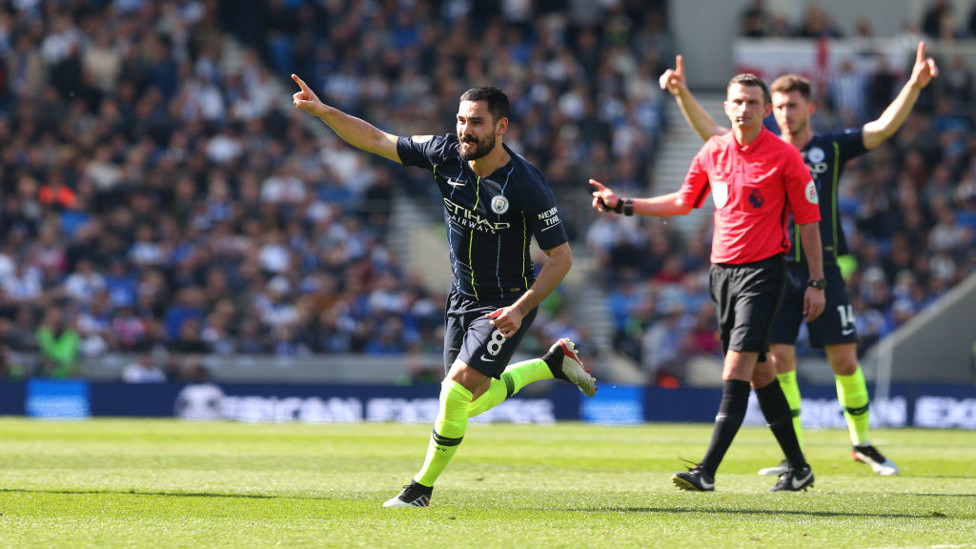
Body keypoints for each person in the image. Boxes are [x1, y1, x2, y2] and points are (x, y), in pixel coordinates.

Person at [291, 76, 597, 507]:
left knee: (454, 393)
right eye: (460, 120)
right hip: (462, 298)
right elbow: (377, 139)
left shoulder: (526, 184)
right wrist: (325, 113)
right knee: (464, 401)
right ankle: (551, 364)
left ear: (501, 126)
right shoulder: (443, 154)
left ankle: (420, 489)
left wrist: (520, 309)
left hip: (506, 301)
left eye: (476, 122)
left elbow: (561, 258)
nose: (465, 130)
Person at [658, 42, 938, 476]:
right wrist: (681, 93)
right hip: (772, 268)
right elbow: (713, 132)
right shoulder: (754, 148)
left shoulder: (829, 148)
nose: (787, 113)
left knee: (844, 360)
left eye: (793, 105)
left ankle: (862, 443)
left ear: (808, 107)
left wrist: (914, 86)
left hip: (821, 265)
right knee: (778, 362)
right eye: (782, 107)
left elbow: (881, 129)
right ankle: (793, 456)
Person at [592, 73, 826, 492]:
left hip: (765, 272)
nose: (744, 109)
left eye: (753, 103)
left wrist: (816, 281)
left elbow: (809, 223)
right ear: (727, 107)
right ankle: (799, 467)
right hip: (721, 274)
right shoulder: (713, 151)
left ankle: (707, 470)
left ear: (766, 110)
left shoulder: (786, 157)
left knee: (735, 366)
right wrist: (624, 205)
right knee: (760, 372)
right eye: (738, 101)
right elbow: (684, 201)